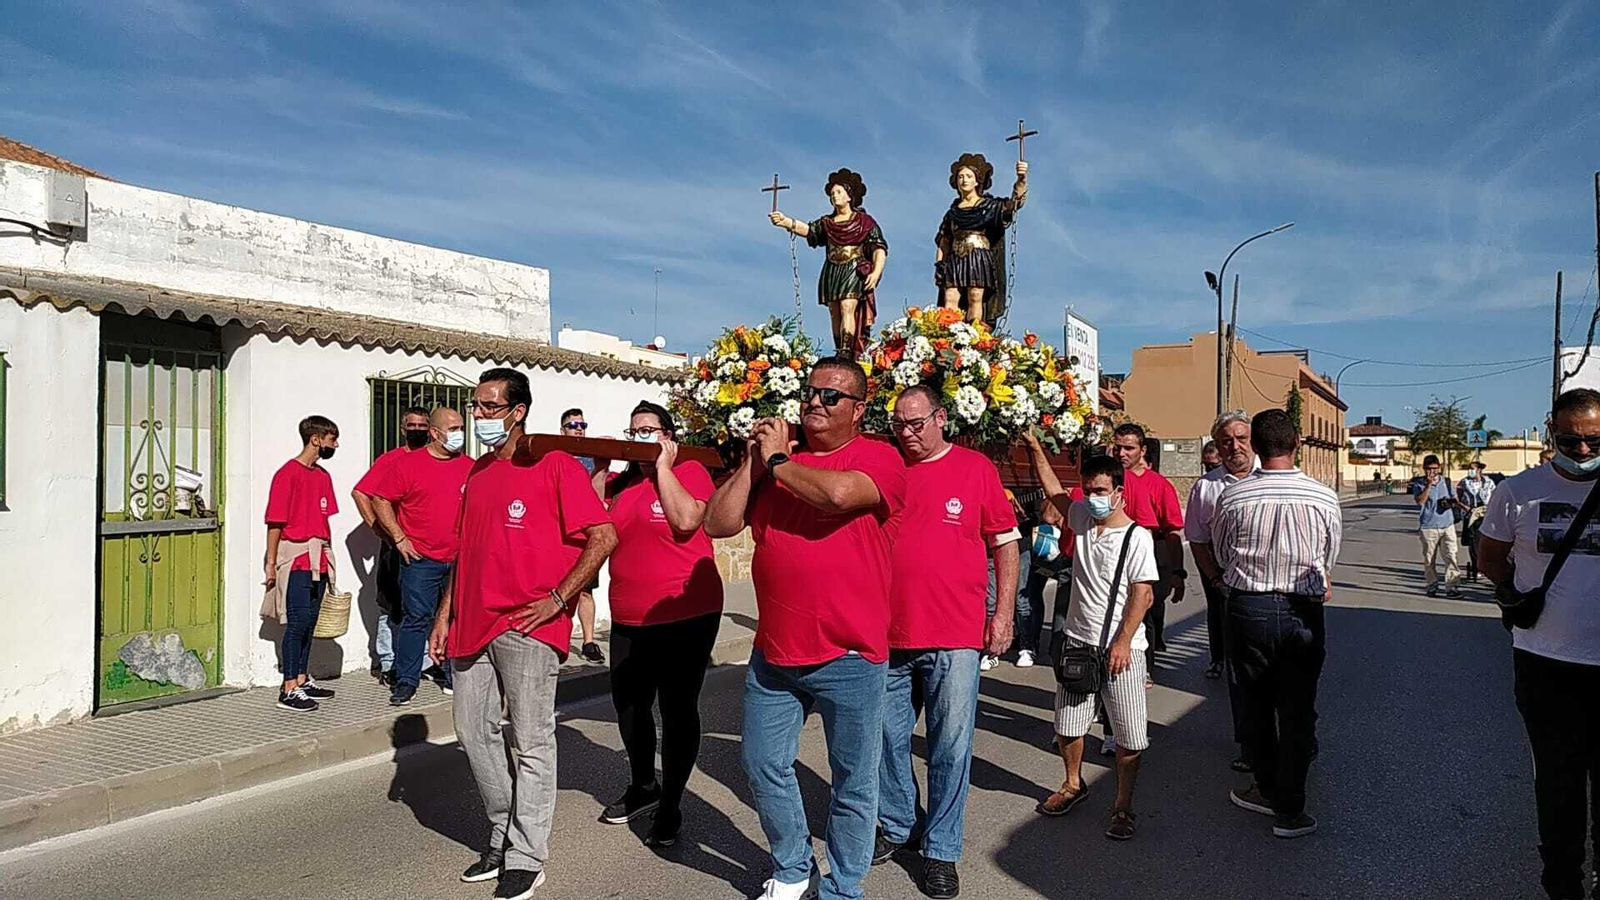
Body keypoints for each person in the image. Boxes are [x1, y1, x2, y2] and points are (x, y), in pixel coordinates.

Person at [705, 357, 906, 900]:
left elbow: (838, 496)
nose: (815, 402)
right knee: (763, 764)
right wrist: (754, 463)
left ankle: (843, 887)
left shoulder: (879, 458)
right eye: (810, 392)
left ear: (858, 410)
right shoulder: (774, 467)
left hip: (851, 655)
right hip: (775, 654)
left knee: (853, 783)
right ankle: (794, 868)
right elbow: (718, 523)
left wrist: (775, 460)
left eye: (831, 396)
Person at [429, 368, 618, 900]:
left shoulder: (555, 465)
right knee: (471, 729)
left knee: (532, 739)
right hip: (473, 621)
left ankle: (526, 855)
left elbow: (603, 536)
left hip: (529, 625)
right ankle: (502, 831)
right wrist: (445, 614)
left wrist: (558, 599)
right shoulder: (479, 471)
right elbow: (466, 549)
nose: (480, 416)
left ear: (518, 411)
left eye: (490, 407)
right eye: (477, 406)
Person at [875, 385, 1018, 898]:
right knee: (886, 741)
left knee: (949, 747)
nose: (907, 433)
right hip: (887, 635)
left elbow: (1005, 545)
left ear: (940, 419)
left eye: (915, 423)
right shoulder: (886, 470)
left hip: (955, 635)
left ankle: (941, 850)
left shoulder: (975, 469)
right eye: (898, 424)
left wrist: (1001, 616)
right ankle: (898, 824)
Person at [1479, 388, 1600, 900]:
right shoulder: (1515, 491)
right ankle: (1562, 883)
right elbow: (1489, 558)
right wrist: (1511, 593)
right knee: (1558, 782)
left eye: (1593, 441)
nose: (1582, 452)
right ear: (1551, 432)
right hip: (1545, 660)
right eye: (1570, 441)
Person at [590, 401, 724, 849]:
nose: (640, 437)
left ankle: (671, 804)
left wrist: (664, 466)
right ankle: (643, 785)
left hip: (686, 612)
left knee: (677, 708)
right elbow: (589, 524)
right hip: (630, 613)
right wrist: (601, 467)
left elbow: (687, 520)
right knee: (629, 705)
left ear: (668, 434)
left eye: (649, 429)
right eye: (634, 430)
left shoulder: (690, 471)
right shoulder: (620, 483)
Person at [1214, 408, 1341, 840]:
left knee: (1255, 703)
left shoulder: (1232, 497)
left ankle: (1267, 788)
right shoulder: (1324, 496)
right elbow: (1329, 558)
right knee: (1298, 706)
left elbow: (1223, 553)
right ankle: (1292, 807)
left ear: (1256, 446)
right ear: (1297, 444)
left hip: (1248, 606)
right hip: (1303, 607)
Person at [1026, 448, 1158, 841]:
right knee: (1067, 726)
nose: (1093, 497)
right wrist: (1034, 448)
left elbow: (1143, 594)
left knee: (1130, 736)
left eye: (1101, 490)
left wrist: (1122, 641)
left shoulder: (1137, 537)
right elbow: (1052, 489)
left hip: (1124, 650)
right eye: (1088, 490)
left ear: (1119, 492)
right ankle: (1072, 784)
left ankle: (1122, 805)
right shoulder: (1082, 518)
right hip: (1079, 644)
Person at [369, 407, 472, 706]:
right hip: (421, 559)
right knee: (416, 619)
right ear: (435, 433)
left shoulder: (470, 466)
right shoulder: (408, 465)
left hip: (461, 558)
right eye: (452, 428)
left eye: (461, 427)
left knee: (457, 617)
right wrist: (398, 537)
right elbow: (380, 498)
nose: (459, 434)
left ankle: (453, 676)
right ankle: (406, 680)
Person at [1185, 411, 1259, 773]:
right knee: (1241, 673)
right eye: (1226, 441)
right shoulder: (1207, 488)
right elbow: (1197, 540)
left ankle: (1294, 739)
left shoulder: (1273, 478)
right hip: (1233, 591)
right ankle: (1249, 745)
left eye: (1242, 438)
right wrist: (1215, 580)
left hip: (1277, 594)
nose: (1235, 447)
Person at [262, 415, 341, 712]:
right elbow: (275, 522)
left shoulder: (322, 477)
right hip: (294, 558)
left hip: (318, 556)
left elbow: (324, 520)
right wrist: (271, 563)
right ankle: (288, 686)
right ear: (315, 439)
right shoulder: (287, 474)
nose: (335, 445)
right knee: (296, 623)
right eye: (332, 439)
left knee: (310, 622)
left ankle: (303, 678)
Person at [768, 168, 889, 355]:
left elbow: (879, 248)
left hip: (853, 267)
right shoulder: (827, 222)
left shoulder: (864, 222)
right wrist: (786, 222)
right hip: (832, 268)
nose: (834, 196)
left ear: (849, 196)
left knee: (847, 306)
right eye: (832, 193)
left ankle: (847, 351)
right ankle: (839, 348)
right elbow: (809, 230)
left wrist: (876, 272)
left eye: (838, 192)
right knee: (835, 311)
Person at [351, 406, 431, 687]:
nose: (418, 430)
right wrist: (379, 529)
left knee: (423, 606)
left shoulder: (435, 458)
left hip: (428, 546)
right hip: (397, 545)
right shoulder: (392, 460)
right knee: (392, 605)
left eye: (423, 425)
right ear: (402, 429)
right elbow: (361, 493)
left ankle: (423, 661)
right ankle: (388, 662)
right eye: (413, 425)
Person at [934, 152, 1028, 328]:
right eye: (960, 176)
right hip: (955, 257)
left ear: (977, 181)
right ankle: (947, 333)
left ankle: (974, 335)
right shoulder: (952, 212)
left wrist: (1021, 179)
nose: (964, 180)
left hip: (978, 255)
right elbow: (944, 241)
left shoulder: (989, 206)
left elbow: (1012, 205)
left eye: (968, 176)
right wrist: (939, 264)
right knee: (950, 296)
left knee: (975, 296)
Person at [559, 408, 606, 664]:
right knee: (560, 588)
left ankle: (588, 642)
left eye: (582, 424)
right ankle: (560, 640)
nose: (578, 428)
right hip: (560, 534)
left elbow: (598, 496)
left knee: (586, 590)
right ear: (562, 430)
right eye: (573, 424)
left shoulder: (591, 458)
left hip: (586, 535)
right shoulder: (555, 457)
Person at [1412, 454, 1463, 598]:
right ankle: (1432, 585)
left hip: (1447, 524)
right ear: (1424, 469)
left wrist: (1451, 502)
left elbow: (1456, 499)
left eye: (1434, 468)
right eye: (1428, 469)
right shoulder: (1419, 484)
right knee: (1429, 559)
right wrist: (1428, 485)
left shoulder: (1446, 482)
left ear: (1439, 468)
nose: (1432, 472)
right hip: (1429, 526)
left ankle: (1452, 587)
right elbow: (1420, 502)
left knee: (1451, 556)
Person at [1457, 460, 1495, 582]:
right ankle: (1475, 565)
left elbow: (1494, 496)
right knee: (1472, 540)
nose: (1470, 471)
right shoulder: (1464, 482)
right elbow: (1457, 498)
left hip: (1485, 513)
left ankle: (1484, 564)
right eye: (1469, 468)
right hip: (1470, 514)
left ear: (1479, 469)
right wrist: (1464, 507)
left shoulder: (1488, 482)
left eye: (1472, 468)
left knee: (1484, 540)